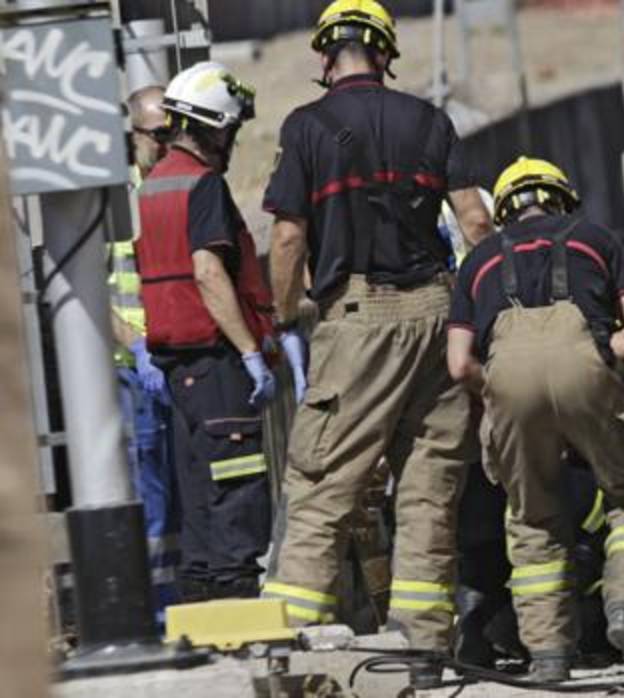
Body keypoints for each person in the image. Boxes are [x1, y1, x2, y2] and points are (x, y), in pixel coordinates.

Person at [261, 0, 492, 688]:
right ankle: (422, 653)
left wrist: (282, 315)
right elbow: (476, 219)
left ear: (323, 56)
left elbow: (286, 235)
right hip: (437, 313)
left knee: (322, 486)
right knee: (427, 491)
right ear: (386, 54)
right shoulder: (430, 120)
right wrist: (480, 309)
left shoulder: (307, 127)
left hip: (357, 320)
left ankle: (289, 660)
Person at [447, 157, 624, 682]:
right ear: (562, 198)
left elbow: (459, 363)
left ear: (503, 210)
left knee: (532, 519)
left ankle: (548, 655)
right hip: (587, 373)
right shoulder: (596, 239)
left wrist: (500, 392)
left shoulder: (477, 262)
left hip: (508, 385)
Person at [135, 61, 275, 602]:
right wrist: (250, 353)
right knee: (235, 478)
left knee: (195, 485)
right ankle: (235, 594)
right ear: (218, 127)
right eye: (232, 131)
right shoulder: (203, 186)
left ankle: (202, 597)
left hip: (176, 364)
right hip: (214, 360)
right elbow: (208, 272)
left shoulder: (153, 187)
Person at [109, 84, 179, 619]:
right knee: (148, 487)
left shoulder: (171, 189)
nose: (169, 142)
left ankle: (176, 598)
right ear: (132, 134)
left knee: (179, 491)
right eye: (159, 133)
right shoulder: (118, 201)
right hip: (135, 369)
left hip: (174, 359)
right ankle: (154, 607)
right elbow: (92, 285)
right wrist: (135, 347)